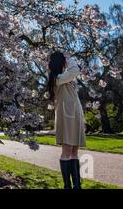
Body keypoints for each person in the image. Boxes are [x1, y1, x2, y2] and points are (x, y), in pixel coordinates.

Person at [47, 51, 86, 189]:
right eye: (64, 61)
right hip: (66, 116)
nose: (66, 62)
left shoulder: (64, 77)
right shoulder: (57, 78)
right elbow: (75, 70)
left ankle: (77, 185)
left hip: (75, 115)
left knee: (75, 150)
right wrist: (70, 59)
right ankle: (67, 185)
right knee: (67, 150)